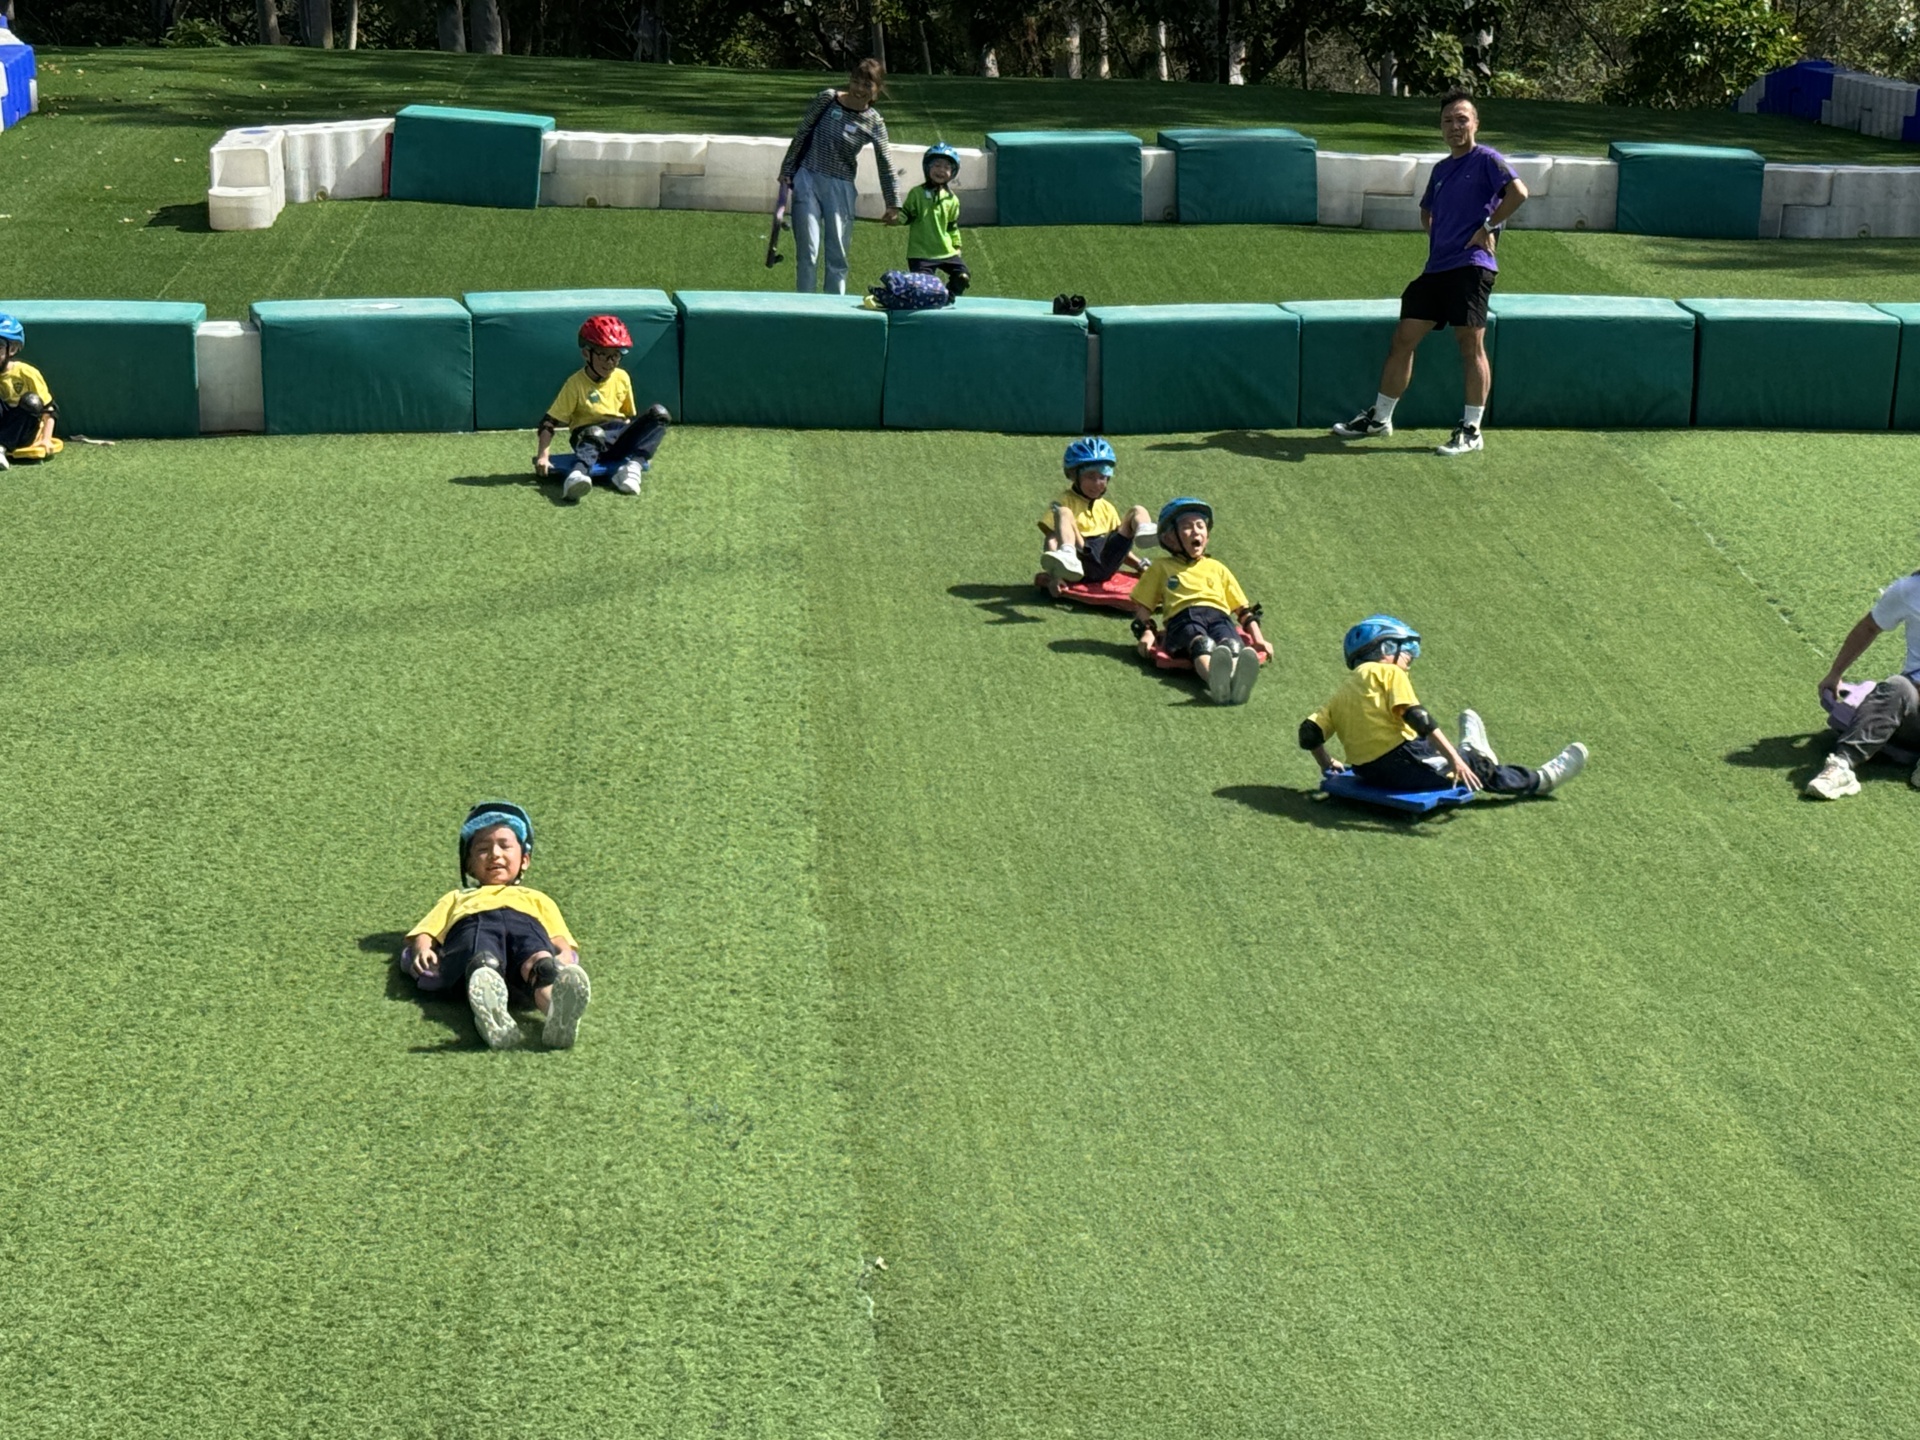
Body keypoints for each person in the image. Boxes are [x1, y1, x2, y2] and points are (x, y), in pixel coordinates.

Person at [1330, 91, 1528, 457]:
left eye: (1462, 119)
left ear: (1476, 123)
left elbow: (1518, 193)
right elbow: (1427, 211)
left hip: (1471, 267)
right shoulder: (1440, 169)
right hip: (1436, 269)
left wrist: (1487, 227)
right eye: (1447, 120)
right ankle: (1380, 419)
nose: (1455, 126)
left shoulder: (1487, 159)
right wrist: (1440, 235)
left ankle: (1471, 430)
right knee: (1403, 339)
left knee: (1470, 345)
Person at [1300, 615, 1588, 797]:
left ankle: (1469, 751)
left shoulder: (1343, 691)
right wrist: (1456, 761)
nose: (1409, 661)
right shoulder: (1389, 673)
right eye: (1407, 652)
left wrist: (1328, 765)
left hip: (1366, 771)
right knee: (1475, 769)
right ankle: (1540, 779)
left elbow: (1309, 733)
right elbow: (1419, 718)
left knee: (1424, 746)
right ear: (1386, 649)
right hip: (1403, 763)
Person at [401, 802, 592, 1051]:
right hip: (474, 926)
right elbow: (428, 930)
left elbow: (557, 937)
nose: (494, 854)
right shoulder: (457, 898)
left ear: (524, 860)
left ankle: (558, 1015)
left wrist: (564, 955)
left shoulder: (537, 899)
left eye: (505, 846)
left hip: (525, 928)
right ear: (469, 865)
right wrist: (423, 948)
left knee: (542, 965)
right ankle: (493, 1014)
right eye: (483, 849)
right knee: (483, 961)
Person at [1129, 497, 1272, 706]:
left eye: (1200, 526)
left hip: (1219, 617)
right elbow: (1143, 607)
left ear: (1207, 535)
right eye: (1187, 527)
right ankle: (1215, 681)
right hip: (1183, 619)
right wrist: (1147, 632)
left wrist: (1258, 639)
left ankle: (1235, 681)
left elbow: (1243, 610)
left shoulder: (1217, 567)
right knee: (1202, 644)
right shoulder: (1161, 567)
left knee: (1231, 644)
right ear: (1170, 538)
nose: (1196, 531)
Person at [778, 58, 902, 296]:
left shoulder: (875, 121)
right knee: (808, 250)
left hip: (841, 186)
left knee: (837, 253)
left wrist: (892, 203)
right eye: (855, 82)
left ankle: (834, 307)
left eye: (866, 85)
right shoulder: (827, 99)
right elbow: (803, 132)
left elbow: (885, 162)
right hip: (808, 177)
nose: (859, 89)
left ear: (877, 89)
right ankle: (804, 305)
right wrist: (787, 170)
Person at [1807, 569, 1920, 798]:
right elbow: (1869, 627)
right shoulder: (1910, 590)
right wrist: (1835, 674)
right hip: (1914, 712)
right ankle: (1841, 766)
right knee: (1898, 686)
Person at [533, 315, 671, 503]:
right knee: (595, 433)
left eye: (616, 355)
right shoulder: (575, 384)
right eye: (603, 354)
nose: (610, 362)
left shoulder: (622, 377)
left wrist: (633, 441)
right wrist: (543, 456)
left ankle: (633, 466)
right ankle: (578, 475)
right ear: (586, 353)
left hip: (617, 434)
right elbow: (549, 422)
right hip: (587, 437)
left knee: (659, 414)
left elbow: (627, 416)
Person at [1038, 437, 1156, 594]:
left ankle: (1145, 529)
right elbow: (1052, 539)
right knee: (1063, 512)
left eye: (1102, 477)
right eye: (1090, 477)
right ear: (1074, 475)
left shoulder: (1107, 508)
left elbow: (1118, 548)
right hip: (1080, 563)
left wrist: (1140, 565)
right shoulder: (1065, 501)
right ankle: (1067, 555)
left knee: (1137, 511)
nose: (1097, 483)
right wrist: (1055, 576)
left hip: (1106, 563)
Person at [890, 142, 969, 296]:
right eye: (937, 165)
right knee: (924, 289)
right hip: (921, 254)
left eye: (946, 167)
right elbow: (906, 215)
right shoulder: (917, 193)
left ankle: (949, 297)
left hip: (945, 251)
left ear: (953, 172)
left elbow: (951, 226)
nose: (941, 170)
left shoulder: (952, 199)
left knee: (962, 277)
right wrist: (895, 218)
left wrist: (956, 245)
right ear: (927, 167)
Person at [0, 313, 57, 470]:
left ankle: (1, 448)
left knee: (31, 401)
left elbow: (49, 409)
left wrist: (46, 439)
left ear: (12, 349)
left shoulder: (26, 373)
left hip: (24, 429)